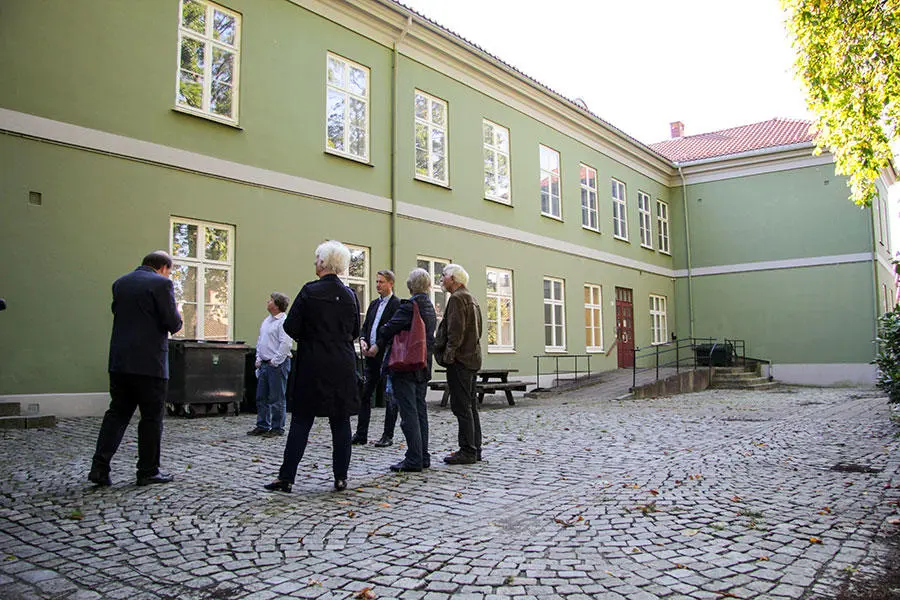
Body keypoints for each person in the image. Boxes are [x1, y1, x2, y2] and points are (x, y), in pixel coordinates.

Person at [264, 240, 360, 493]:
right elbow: (355, 331)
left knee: (302, 421)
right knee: (340, 422)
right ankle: (341, 477)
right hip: (341, 363)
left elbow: (290, 327)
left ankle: (286, 477)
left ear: (323, 262)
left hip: (313, 362)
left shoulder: (309, 291)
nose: (315, 262)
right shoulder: (351, 296)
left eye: (317, 258)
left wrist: (311, 336)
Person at [89, 251, 183, 487]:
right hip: (150, 363)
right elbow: (173, 323)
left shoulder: (120, 283)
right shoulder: (162, 284)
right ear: (163, 268)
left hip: (120, 361)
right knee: (151, 418)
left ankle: (99, 467)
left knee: (117, 414)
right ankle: (148, 470)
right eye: (169, 271)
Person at [370, 268, 437, 472]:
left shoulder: (409, 306)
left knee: (409, 414)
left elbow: (386, 328)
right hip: (423, 365)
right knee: (420, 411)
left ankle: (414, 458)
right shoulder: (430, 306)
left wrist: (387, 328)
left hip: (406, 365)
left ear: (410, 286)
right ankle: (423, 455)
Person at [435, 263, 483, 465]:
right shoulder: (471, 297)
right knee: (470, 406)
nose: (442, 280)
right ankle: (475, 447)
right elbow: (476, 331)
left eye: (444, 276)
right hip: (471, 358)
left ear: (453, 279)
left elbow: (456, 331)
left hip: (460, 361)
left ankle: (468, 450)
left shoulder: (456, 299)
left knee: (461, 406)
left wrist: (448, 355)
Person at [352, 270, 400, 446]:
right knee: (365, 394)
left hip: (387, 356)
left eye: (381, 282)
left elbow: (392, 330)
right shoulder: (373, 304)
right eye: (377, 281)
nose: (378, 285)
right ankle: (361, 433)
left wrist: (378, 345)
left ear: (390, 283)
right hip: (370, 357)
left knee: (390, 397)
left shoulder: (396, 305)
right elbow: (365, 327)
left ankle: (388, 435)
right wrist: (363, 340)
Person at [247, 292, 292, 438]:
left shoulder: (283, 322)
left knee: (276, 398)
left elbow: (285, 344)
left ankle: (277, 427)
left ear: (277, 305)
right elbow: (261, 340)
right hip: (265, 363)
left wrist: (275, 361)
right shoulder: (267, 321)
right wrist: (258, 358)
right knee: (262, 397)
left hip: (277, 364)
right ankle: (262, 425)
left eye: (271, 300)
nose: (268, 301)